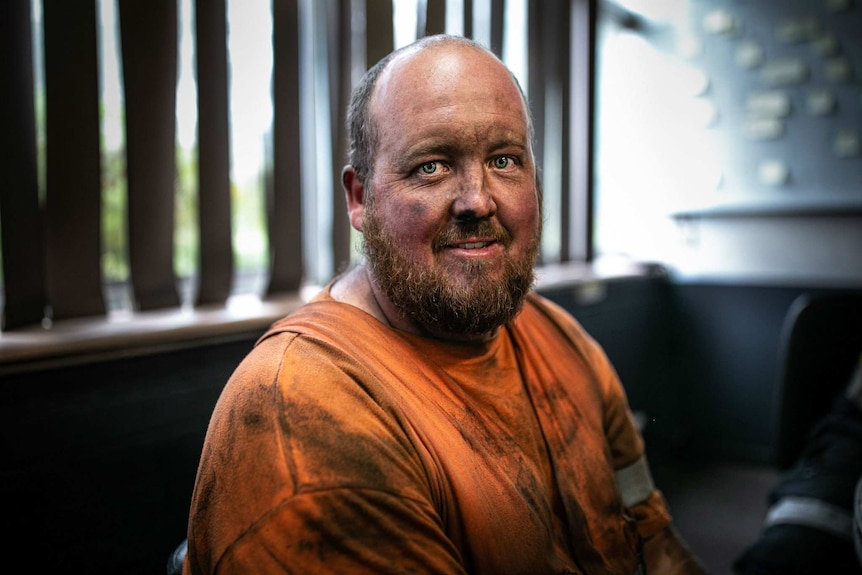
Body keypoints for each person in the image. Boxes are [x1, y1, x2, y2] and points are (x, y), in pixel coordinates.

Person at [183, 34, 708, 574]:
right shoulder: (303, 409)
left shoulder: (563, 340)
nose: (478, 200)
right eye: (431, 166)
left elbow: (655, 544)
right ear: (360, 198)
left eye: (504, 160)